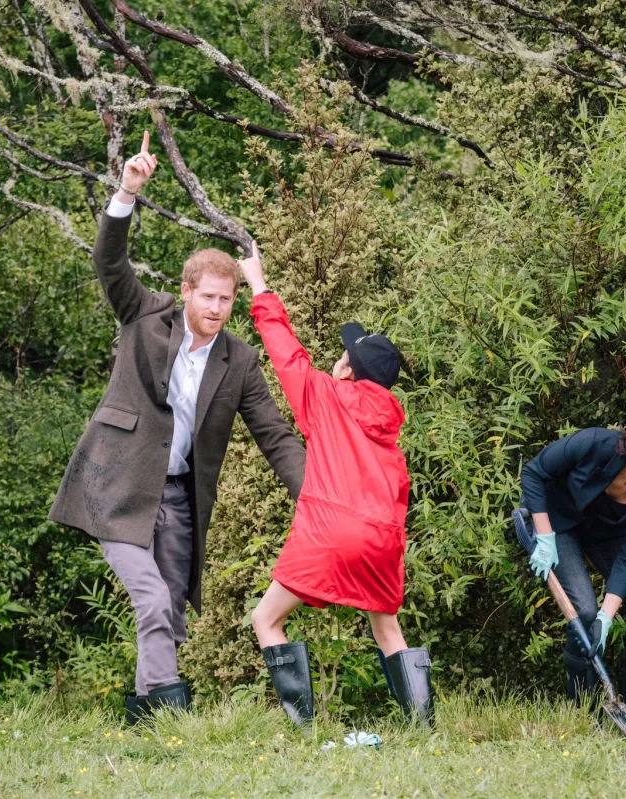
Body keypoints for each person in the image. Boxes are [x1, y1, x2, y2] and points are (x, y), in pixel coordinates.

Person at [48, 132, 306, 723]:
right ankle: (169, 717)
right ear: (186, 292)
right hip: (116, 485)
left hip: (179, 498)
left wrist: (315, 494)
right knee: (152, 597)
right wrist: (126, 194)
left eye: (228, 300)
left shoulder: (238, 360)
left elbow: (274, 436)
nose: (217, 309)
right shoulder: (145, 314)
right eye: (209, 297)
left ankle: (146, 717)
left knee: (172, 612)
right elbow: (110, 264)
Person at [236, 249, 432, 728]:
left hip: (329, 533)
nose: (338, 359)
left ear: (347, 371)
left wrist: (259, 284)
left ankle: (302, 729)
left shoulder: (326, 396)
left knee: (267, 619)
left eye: (344, 356)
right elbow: (399, 500)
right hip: (382, 544)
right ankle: (422, 728)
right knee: (387, 627)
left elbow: (286, 352)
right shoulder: (392, 433)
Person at [519, 414, 626, 733]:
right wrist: (543, 536)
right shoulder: (596, 445)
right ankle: (582, 713)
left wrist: (607, 616)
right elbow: (535, 471)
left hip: (613, 537)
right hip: (559, 526)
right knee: (583, 611)